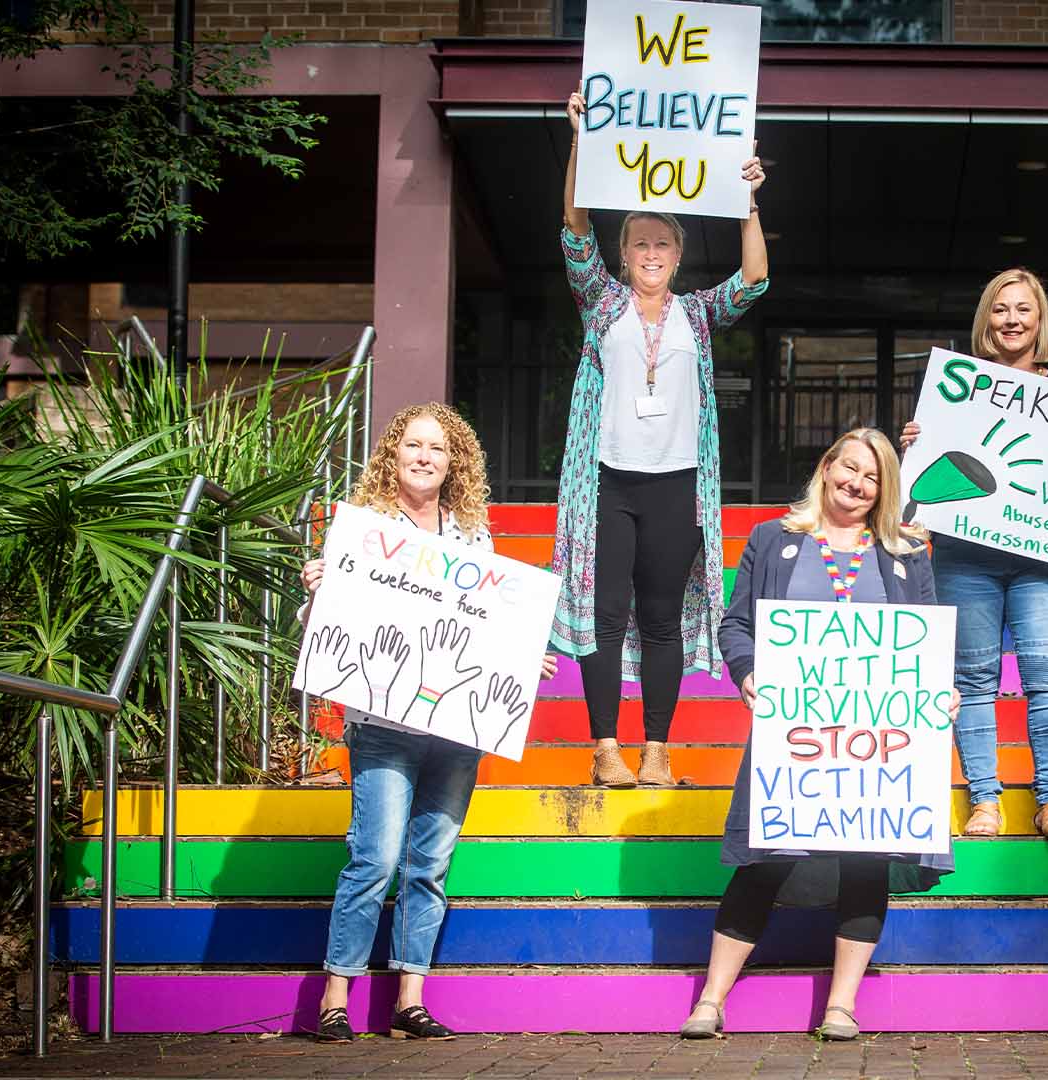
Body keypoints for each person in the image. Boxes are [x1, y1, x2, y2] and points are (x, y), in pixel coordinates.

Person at [681, 429, 956, 1042]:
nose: (856, 484)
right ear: (826, 467)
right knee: (763, 860)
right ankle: (711, 1001)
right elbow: (736, 624)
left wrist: (942, 688)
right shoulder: (772, 538)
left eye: (872, 477)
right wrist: (748, 672)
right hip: (794, 733)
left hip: (878, 741)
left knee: (867, 862)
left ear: (885, 489)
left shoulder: (909, 552)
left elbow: (931, 638)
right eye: (849, 468)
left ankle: (841, 1006)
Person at [300, 403, 558, 1042]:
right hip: (383, 723)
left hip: (457, 728)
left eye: (437, 449)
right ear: (392, 455)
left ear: (455, 464)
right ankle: (336, 998)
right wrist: (318, 592)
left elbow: (490, 623)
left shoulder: (472, 536)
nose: (423, 457)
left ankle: (409, 999)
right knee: (376, 858)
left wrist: (524, 657)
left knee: (429, 864)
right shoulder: (366, 531)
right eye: (413, 445)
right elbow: (329, 632)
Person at [552, 89, 771, 789]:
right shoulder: (603, 303)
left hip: (677, 482)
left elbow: (756, 280)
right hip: (608, 481)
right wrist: (584, 141)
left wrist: (748, 199)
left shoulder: (699, 315)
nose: (651, 252)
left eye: (663, 242)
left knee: (662, 619)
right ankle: (606, 748)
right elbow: (573, 228)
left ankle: (655, 751)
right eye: (639, 242)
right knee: (604, 613)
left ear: (678, 255)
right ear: (624, 255)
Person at [899, 269, 1048, 839]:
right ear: (986, 320)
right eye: (1000, 310)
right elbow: (923, 479)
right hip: (963, 555)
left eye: (1023, 310)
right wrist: (914, 446)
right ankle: (985, 803)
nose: (1011, 321)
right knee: (972, 679)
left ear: (1039, 320)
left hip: (1042, 561)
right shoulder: (956, 390)